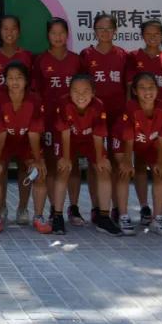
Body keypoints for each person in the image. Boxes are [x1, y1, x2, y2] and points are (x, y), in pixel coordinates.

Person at [123, 19, 162, 225]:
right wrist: (130, 112)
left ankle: (161, 206)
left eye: (157, 33)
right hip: (139, 117)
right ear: (142, 35)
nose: (152, 37)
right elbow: (129, 87)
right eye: (148, 33)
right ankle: (144, 206)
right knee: (139, 163)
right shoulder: (133, 57)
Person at [50, 74, 122, 236]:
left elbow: (98, 134)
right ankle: (57, 216)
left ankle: (104, 216)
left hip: (90, 139)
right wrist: (66, 158)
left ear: (93, 92)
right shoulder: (64, 103)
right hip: (68, 139)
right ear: (69, 92)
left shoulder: (98, 105)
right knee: (63, 169)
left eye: (85, 91)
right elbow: (64, 132)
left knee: (104, 169)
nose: (80, 95)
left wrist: (100, 159)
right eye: (75, 91)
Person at [0, 61, 50, 234]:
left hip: (27, 142)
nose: (15, 82)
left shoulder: (34, 99)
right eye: (10, 78)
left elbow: (34, 134)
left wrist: (37, 160)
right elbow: (0, 133)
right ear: (5, 80)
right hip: (4, 142)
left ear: (26, 80)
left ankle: (36, 215)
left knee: (39, 172)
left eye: (19, 78)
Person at [32, 18, 82, 225]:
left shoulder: (77, 60)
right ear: (48, 35)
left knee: (73, 163)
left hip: (74, 121)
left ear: (67, 35)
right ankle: (55, 208)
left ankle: (74, 207)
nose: (58, 37)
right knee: (52, 164)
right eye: (54, 33)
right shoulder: (40, 60)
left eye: (62, 33)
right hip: (49, 120)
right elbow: (35, 92)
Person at [79, 13, 127, 223]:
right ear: (94, 31)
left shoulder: (123, 55)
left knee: (116, 162)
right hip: (94, 117)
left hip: (117, 117)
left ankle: (116, 207)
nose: (104, 32)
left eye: (108, 29)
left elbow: (128, 88)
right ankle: (96, 207)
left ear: (115, 31)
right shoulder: (86, 55)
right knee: (94, 163)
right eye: (100, 29)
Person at [113, 73, 162, 236]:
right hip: (124, 141)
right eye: (142, 88)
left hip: (151, 141)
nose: (147, 91)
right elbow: (128, 136)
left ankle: (158, 217)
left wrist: (161, 162)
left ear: (157, 89)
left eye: (151, 87)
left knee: (161, 172)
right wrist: (127, 160)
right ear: (134, 91)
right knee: (124, 172)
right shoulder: (130, 107)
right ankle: (123, 216)